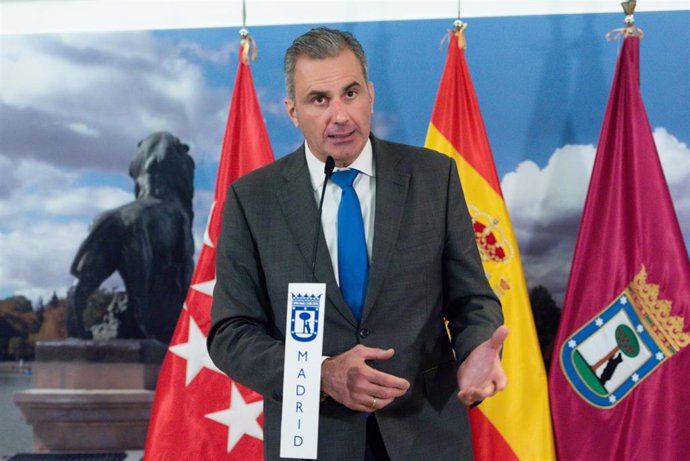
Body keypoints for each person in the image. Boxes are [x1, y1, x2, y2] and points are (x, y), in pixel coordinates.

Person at [208, 27, 508, 460]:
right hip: (314, 438)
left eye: (350, 93)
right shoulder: (252, 199)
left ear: (369, 93)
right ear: (292, 111)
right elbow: (229, 333)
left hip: (424, 433)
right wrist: (320, 374)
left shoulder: (432, 177)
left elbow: (471, 299)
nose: (340, 115)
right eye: (319, 100)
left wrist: (477, 347)